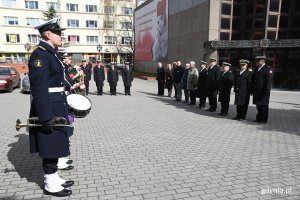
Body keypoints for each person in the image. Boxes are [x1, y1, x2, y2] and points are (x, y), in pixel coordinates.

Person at [28, 18, 73, 197]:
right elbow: (39, 88)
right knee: (49, 145)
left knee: (56, 144)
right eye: (58, 33)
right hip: (48, 108)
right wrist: (45, 116)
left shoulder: (51, 53)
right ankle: (49, 183)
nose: (61, 36)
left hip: (56, 105)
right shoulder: (40, 54)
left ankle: (54, 178)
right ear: (48, 34)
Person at [252, 56, 273, 123]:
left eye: (257, 61)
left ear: (262, 61)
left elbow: (268, 82)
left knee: (264, 106)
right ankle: (259, 118)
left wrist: (266, 92)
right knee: (258, 106)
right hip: (257, 91)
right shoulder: (257, 69)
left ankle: (263, 120)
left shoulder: (268, 69)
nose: (256, 63)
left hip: (263, 92)